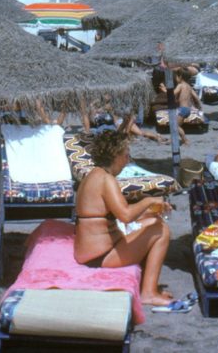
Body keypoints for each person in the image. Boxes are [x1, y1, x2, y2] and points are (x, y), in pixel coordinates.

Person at [72, 129, 175, 308]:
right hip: (100, 256)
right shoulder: (106, 180)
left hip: (91, 251)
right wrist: (149, 200)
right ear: (116, 155)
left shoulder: (93, 176)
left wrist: (149, 211)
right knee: (161, 230)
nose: (127, 160)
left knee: (151, 220)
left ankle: (149, 286)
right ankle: (149, 293)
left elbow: (109, 214)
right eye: (126, 155)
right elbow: (126, 216)